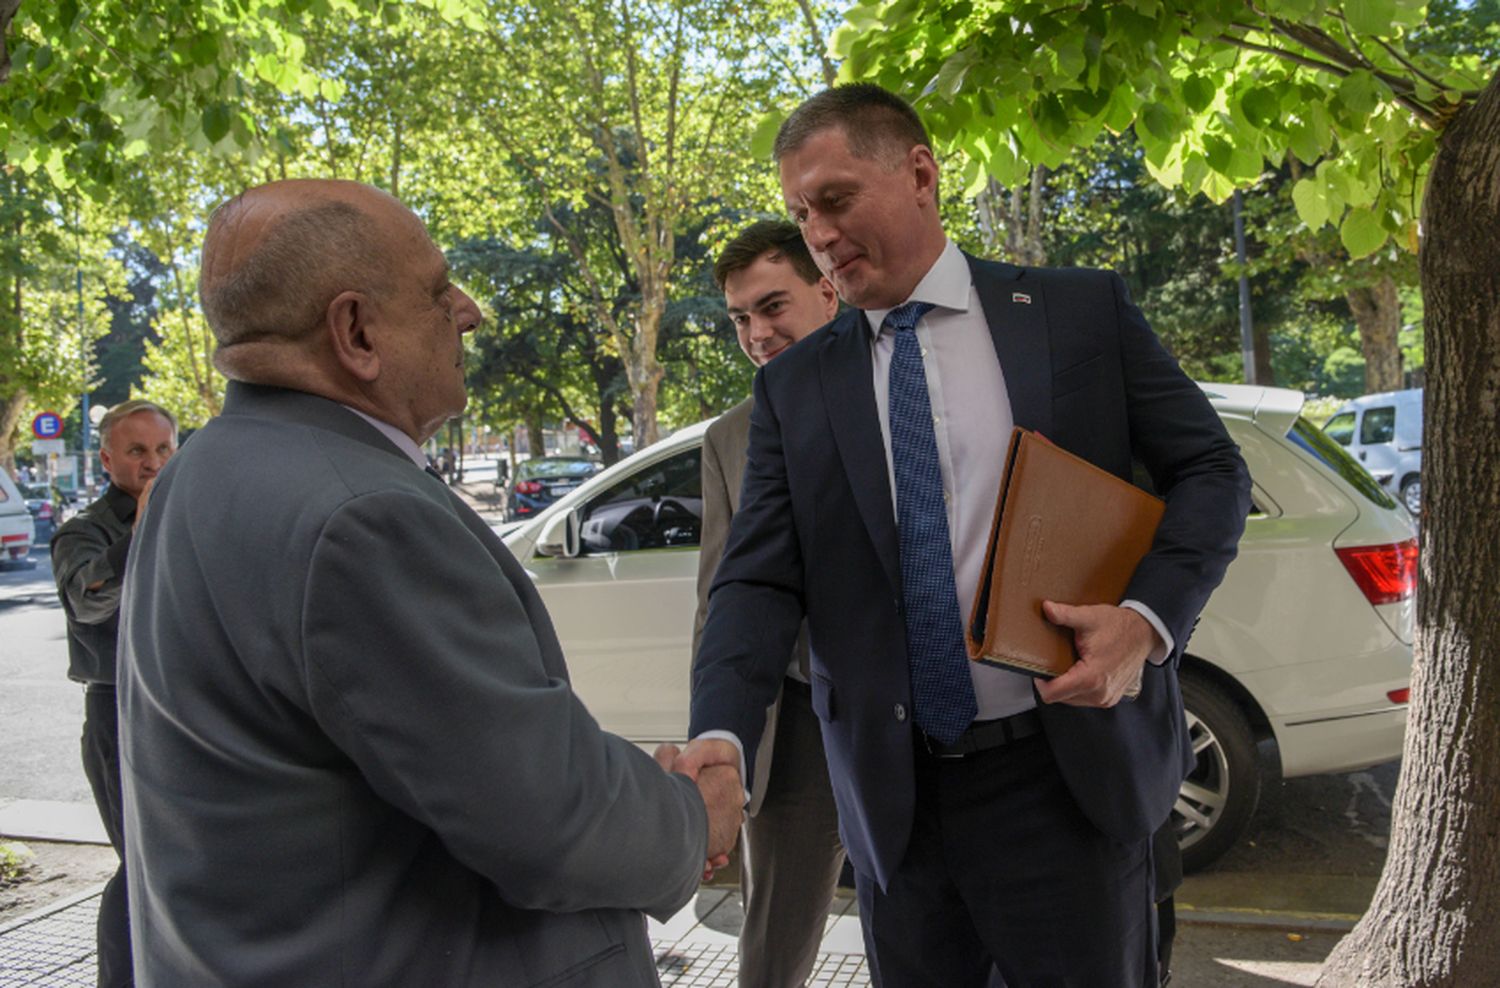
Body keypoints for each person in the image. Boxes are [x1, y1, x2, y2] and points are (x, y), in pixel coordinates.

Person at [681, 85, 1251, 986]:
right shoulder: (795, 389)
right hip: (896, 807)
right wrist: (719, 734)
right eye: (799, 212)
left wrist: (1146, 620)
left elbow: (1212, 472)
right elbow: (755, 584)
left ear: (919, 174)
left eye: (833, 201)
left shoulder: (1076, 316)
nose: (818, 235)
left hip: (1068, 782)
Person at [116, 178, 741, 986]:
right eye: (438, 289)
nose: (468, 311)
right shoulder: (361, 515)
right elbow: (544, 814)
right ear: (356, 332)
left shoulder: (199, 469)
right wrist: (695, 817)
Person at [694, 220, 844, 986]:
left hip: (927, 720)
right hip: (795, 727)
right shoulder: (729, 438)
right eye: (741, 318)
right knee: (774, 943)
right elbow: (721, 596)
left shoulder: (905, 390)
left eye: (772, 306)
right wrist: (719, 741)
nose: (756, 332)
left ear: (828, 289)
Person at [51, 398, 178, 988]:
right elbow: (89, 598)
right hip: (119, 711)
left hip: (184, 708)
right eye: (137, 451)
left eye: (162, 449)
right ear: (106, 460)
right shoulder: (82, 533)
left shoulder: (189, 518)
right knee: (140, 870)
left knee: (183, 863)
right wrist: (143, 527)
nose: (153, 463)